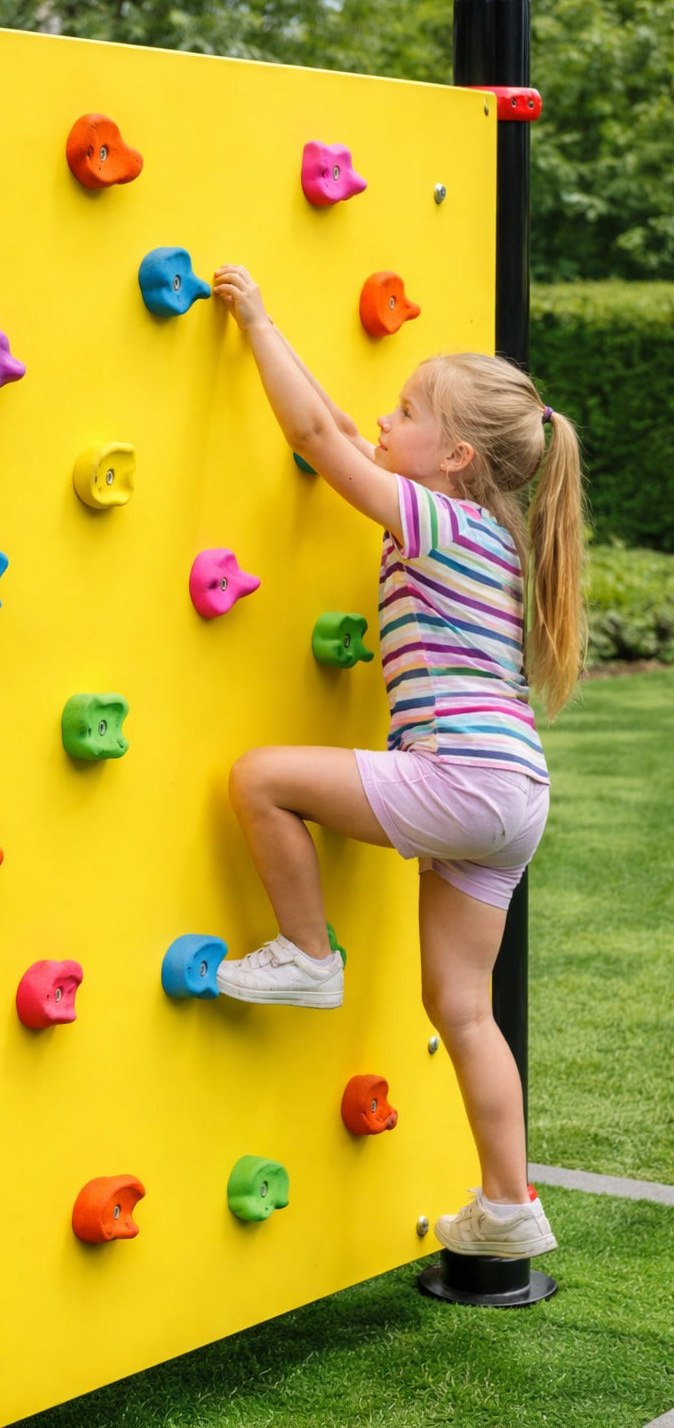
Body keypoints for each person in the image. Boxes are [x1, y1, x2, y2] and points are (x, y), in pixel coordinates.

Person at [210, 264, 585, 1260]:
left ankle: (305, 954)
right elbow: (340, 421)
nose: (386, 414)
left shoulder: (434, 519)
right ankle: (508, 1206)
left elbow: (316, 437)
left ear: (455, 456)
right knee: (461, 1007)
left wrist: (257, 314)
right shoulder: (494, 534)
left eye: (407, 411)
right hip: (514, 795)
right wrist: (341, 408)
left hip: (460, 777)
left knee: (259, 778)